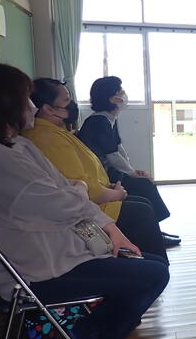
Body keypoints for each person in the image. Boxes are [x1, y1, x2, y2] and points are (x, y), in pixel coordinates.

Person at [0, 63, 169, 339]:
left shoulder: (14, 146)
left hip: (61, 254)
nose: (33, 107)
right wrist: (80, 193)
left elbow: (65, 188)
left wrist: (78, 194)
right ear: (5, 103)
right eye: (26, 98)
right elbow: (65, 200)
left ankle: (86, 335)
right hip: (41, 272)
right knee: (154, 273)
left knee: (151, 264)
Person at [23, 78, 168, 262]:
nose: (72, 104)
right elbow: (86, 186)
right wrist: (117, 192)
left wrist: (122, 179)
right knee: (142, 209)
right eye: (67, 100)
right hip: (89, 207)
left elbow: (116, 150)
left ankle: (152, 256)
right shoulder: (49, 139)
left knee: (143, 201)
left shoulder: (58, 132)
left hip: (100, 189)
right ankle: (152, 265)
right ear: (48, 109)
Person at [76, 76, 179, 246]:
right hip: (101, 176)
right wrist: (132, 173)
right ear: (112, 98)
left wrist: (133, 171)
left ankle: (154, 229)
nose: (124, 94)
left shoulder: (109, 119)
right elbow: (112, 156)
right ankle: (153, 232)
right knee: (143, 185)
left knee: (144, 182)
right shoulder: (99, 121)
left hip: (107, 171)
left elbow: (118, 148)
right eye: (120, 91)